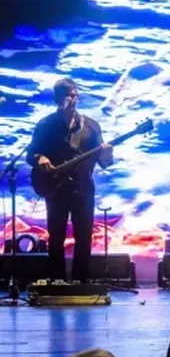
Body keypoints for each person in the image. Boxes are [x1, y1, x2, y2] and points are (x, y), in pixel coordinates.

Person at [26, 78, 113, 282]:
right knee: (56, 238)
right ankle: (56, 281)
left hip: (83, 189)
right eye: (66, 96)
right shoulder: (45, 125)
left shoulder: (91, 126)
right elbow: (30, 154)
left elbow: (104, 162)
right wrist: (40, 158)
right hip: (55, 190)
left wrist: (108, 155)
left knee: (83, 238)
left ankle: (80, 282)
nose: (71, 100)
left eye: (73, 95)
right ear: (57, 99)